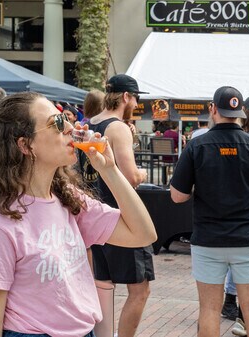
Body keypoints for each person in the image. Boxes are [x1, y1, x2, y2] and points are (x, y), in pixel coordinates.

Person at [0, 92, 157, 336]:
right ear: (25, 145)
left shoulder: (67, 198)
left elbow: (143, 234)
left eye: (66, 119)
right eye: (57, 123)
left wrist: (110, 170)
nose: (71, 128)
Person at [170, 85, 249, 337]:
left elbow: (178, 196)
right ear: (241, 113)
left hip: (208, 240)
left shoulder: (196, 146)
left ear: (213, 109)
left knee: (209, 309)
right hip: (248, 240)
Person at [83, 74, 152, 337]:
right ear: (126, 97)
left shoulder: (90, 123)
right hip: (120, 216)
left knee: (102, 285)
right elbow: (132, 176)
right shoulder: (118, 128)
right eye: (135, 98)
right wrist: (143, 173)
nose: (136, 103)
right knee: (140, 290)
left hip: (93, 216)